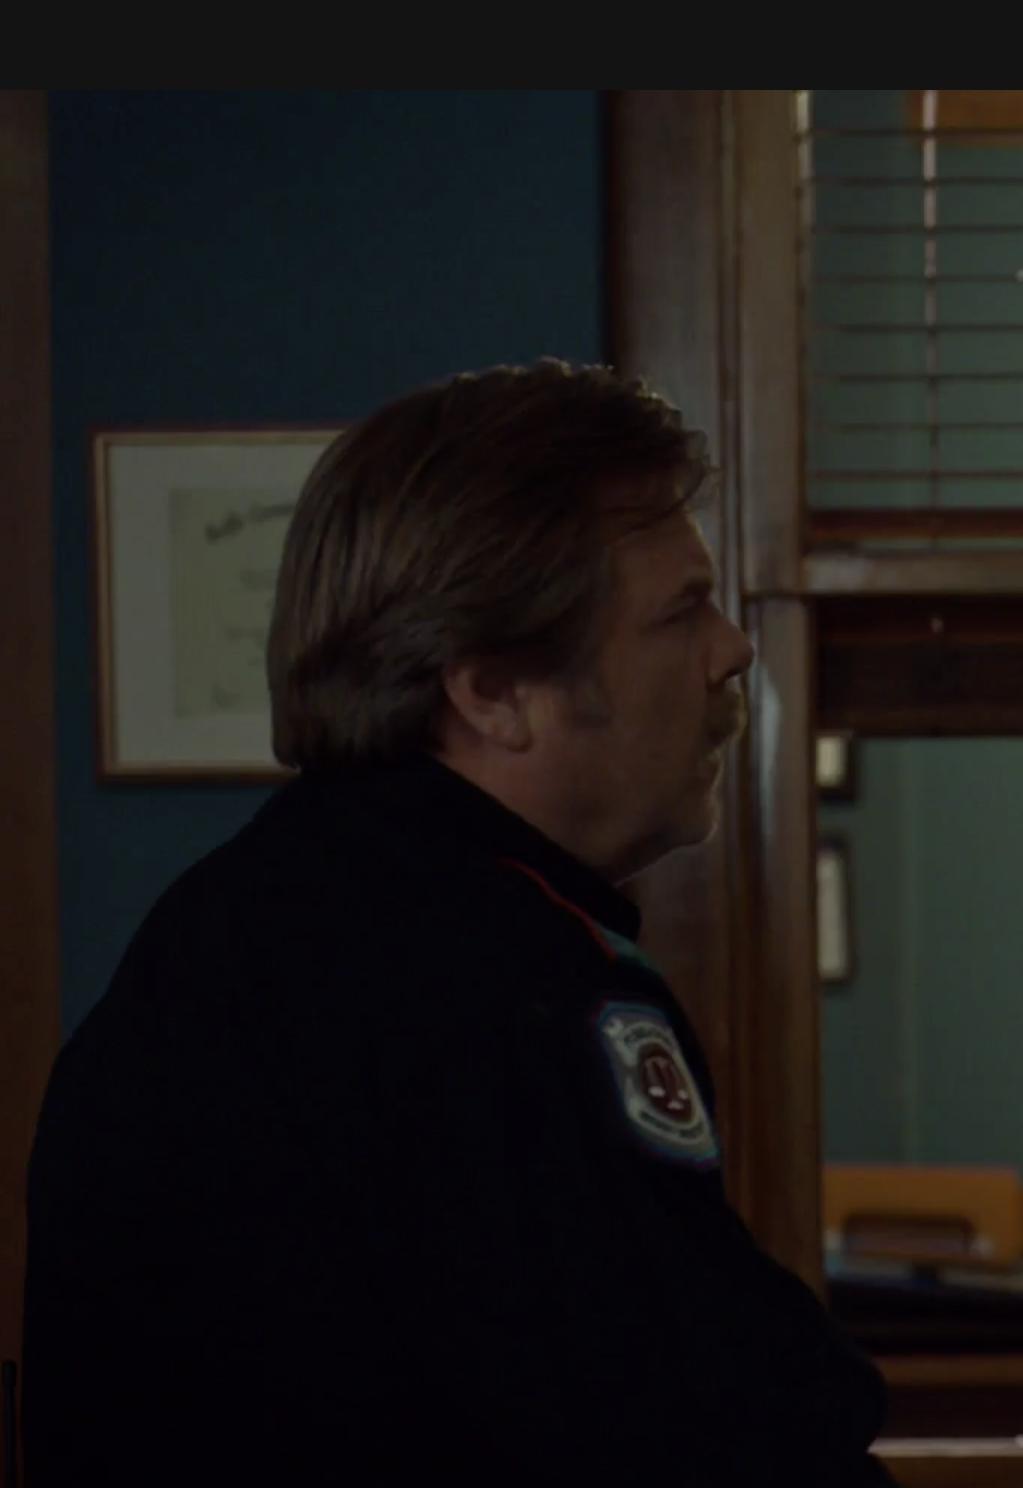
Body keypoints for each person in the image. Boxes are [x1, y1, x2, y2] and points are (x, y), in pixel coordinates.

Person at [23, 361, 898, 1486]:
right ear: (492, 692)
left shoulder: (221, 929)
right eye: (681, 612)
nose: (732, 649)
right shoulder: (510, 985)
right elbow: (702, 1435)